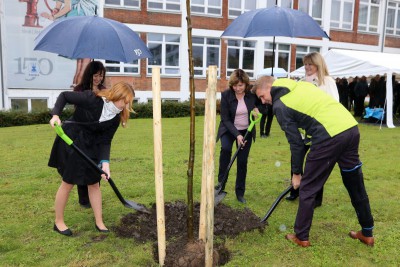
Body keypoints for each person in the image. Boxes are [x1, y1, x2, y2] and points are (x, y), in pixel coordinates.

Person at [252, 76, 374, 247]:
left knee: (308, 186)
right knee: (354, 182)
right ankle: (367, 233)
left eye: (262, 96)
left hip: (329, 135)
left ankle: (301, 236)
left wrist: (296, 174)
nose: (263, 101)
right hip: (350, 128)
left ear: (270, 86)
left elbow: (295, 143)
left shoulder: (281, 105)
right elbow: (313, 115)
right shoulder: (301, 86)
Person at [48, 81, 135, 236]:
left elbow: (105, 141)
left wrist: (105, 163)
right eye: (124, 101)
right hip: (73, 140)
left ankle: (99, 221)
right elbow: (64, 96)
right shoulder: (91, 99)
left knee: (94, 183)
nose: (125, 106)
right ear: (116, 95)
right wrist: (55, 115)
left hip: (92, 146)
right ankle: (58, 222)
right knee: (68, 182)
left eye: (128, 103)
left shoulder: (115, 118)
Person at [286, 51, 339, 205]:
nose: (307, 67)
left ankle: (316, 197)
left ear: (318, 64)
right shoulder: (302, 81)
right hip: (304, 127)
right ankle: (294, 190)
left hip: (320, 128)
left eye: (310, 64)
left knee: (316, 163)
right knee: (296, 158)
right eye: (305, 64)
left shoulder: (328, 81)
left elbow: (334, 102)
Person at [215, 69, 260, 204]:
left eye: (240, 85)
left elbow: (265, 105)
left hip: (247, 130)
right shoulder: (226, 95)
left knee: (242, 161)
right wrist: (237, 135)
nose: (238, 88)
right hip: (229, 130)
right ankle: (221, 184)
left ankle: (240, 193)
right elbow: (225, 119)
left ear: (246, 84)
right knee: (226, 150)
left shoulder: (252, 95)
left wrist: (258, 109)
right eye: (235, 85)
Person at [73, 61, 107, 208]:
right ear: (89, 74)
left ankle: (94, 196)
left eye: (101, 75)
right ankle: (84, 199)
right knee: (82, 165)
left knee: (95, 166)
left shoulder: (104, 90)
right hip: (81, 132)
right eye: (95, 75)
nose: (98, 78)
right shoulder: (79, 89)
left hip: (97, 133)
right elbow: (78, 109)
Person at [41, 0, 98, 87]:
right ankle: (79, 93)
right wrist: (54, 16)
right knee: (85, 66)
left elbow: (60, 4)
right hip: (84, 20)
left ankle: (75, 90)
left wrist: (55, 11)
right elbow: (68, 7)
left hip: (74, 22)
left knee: (79, 65)